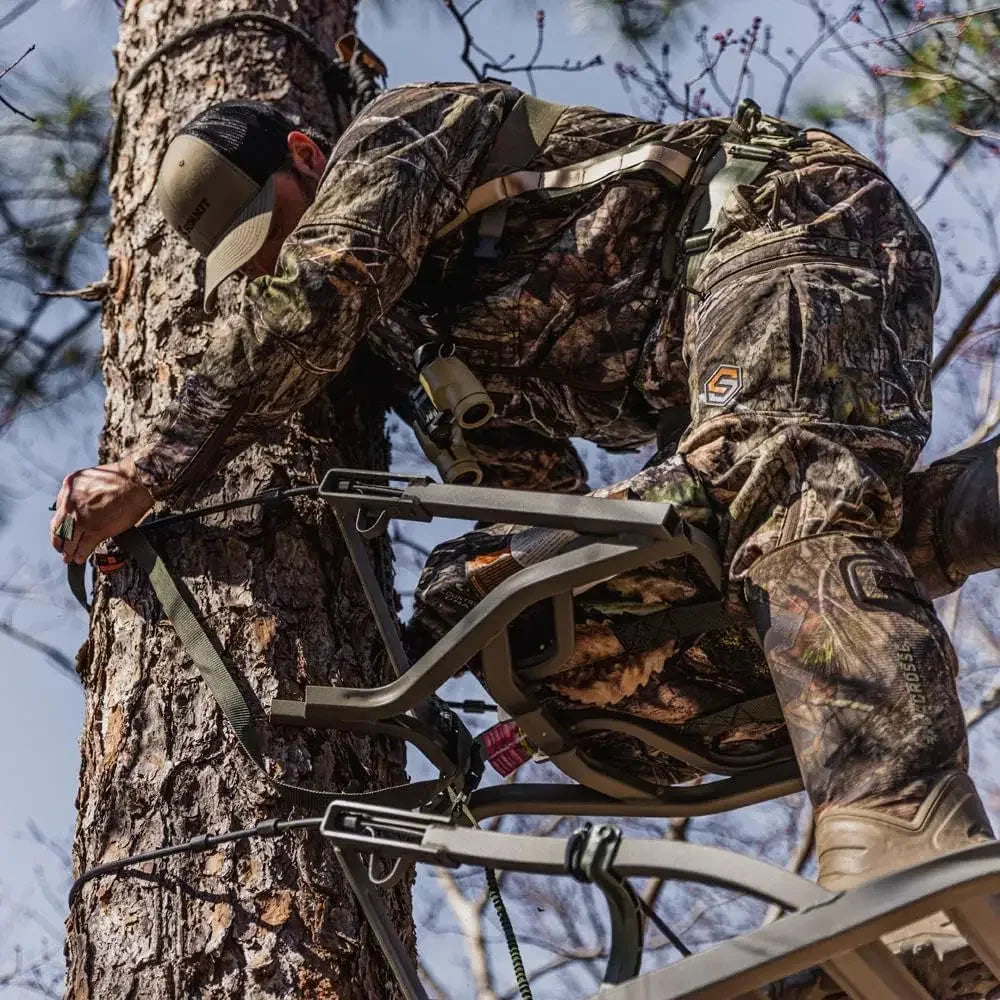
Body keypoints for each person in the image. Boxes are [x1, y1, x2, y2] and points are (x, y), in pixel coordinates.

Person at [50, 84, 999, 961]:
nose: (270, 263)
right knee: (687, 538)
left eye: (272, 232)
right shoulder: (424, 329)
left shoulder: (400, 133)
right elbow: (531, 487)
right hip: (734, 353)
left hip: (784, 222)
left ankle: (903, 830)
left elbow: (316, 292)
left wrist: (147, 469)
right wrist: (467, 651)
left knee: (777, 483)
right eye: (247, 260)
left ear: (307, 156)